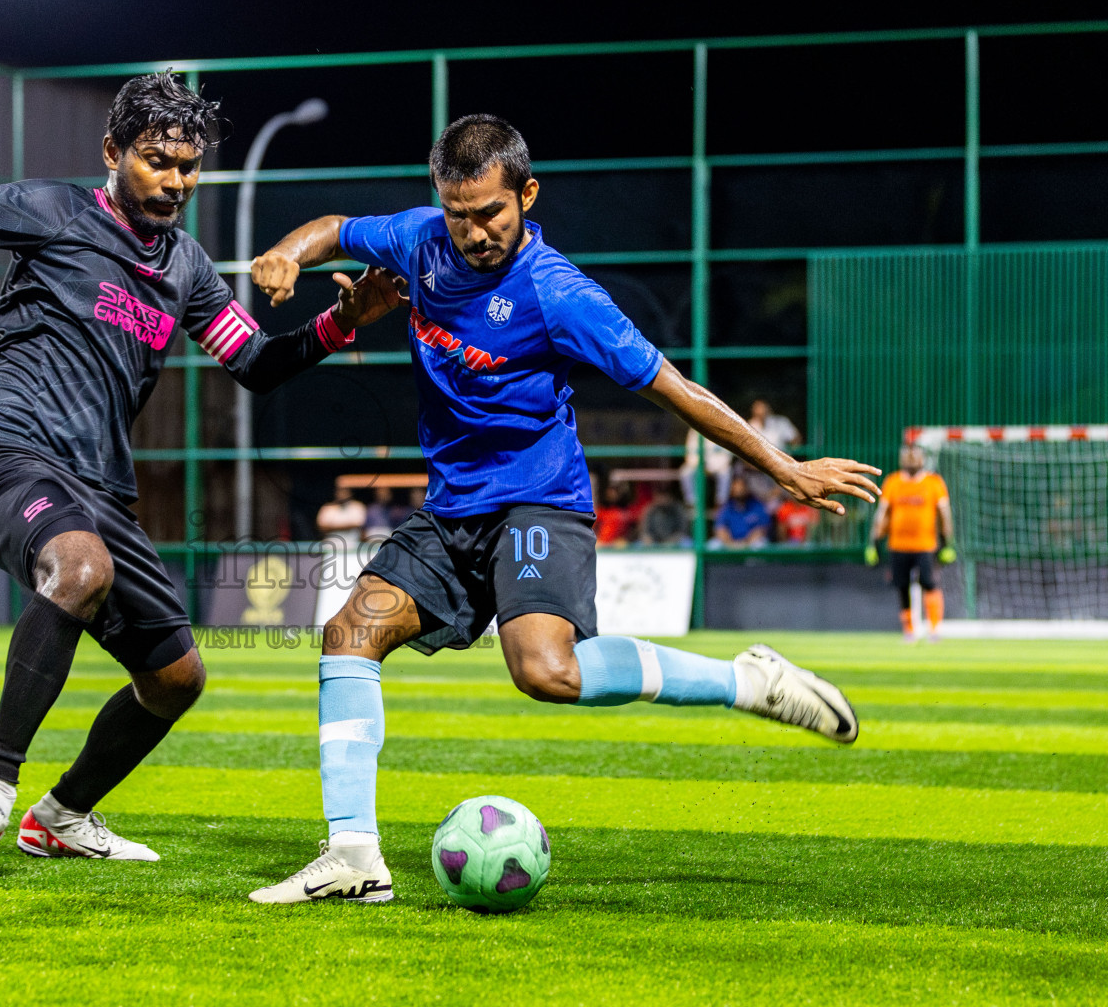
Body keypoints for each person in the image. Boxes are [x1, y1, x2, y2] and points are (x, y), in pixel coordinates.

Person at [0, 71, 403, 863]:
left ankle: (61, 815)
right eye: (157, 161)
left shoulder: (187, 268)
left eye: (189, 167)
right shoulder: (54, 212)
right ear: (112, 152)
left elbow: (254, 363)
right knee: (79, 567)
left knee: (176, 679)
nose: (175, 181)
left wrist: (338, 321)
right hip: (6, 456)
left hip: (100, 491)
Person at [245, 114, 880, 904]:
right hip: (452, 512)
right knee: (348, 635)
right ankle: (353, 858)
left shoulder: (560, 294)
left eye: (490, 213)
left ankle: (744, 681)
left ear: (527, 194)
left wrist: (783, 467)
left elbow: (674, 389)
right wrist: (285, 253)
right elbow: (337, 227)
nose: (474, 231)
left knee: (546, 672)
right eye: (458, 213)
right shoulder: (419, 241)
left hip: (539, 502)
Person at [866, 444, 955, 641]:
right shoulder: (893, 482)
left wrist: (947, 542)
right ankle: (909, 630)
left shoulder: (934, 483)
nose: (911, 460)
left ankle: (934, 629)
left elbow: (944, 513)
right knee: (902, 586)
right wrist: (874, 542)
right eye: (907, 456)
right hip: (898, 545)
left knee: (929, 583)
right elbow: (882, 515)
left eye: (915, 456)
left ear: (923, 459)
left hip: (926, 545)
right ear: (901, 459)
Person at [711, 476, 773, 549]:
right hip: (730, 544)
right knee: (713, 545)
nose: (739, 490)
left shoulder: (757, 506)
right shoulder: (726, 507)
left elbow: (761, 529)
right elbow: (720, 529)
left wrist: (745, 544)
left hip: (750, 543)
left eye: (741, 487)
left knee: (760, 544)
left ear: (747, 488)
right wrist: (730, 544)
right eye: (736, 487)